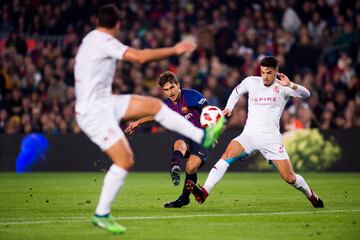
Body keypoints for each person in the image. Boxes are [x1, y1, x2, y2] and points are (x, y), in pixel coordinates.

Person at [74, 4, 224, 234]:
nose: (170, 91)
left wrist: (135, 121)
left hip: (98, 103)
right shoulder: (104, 41)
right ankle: (195, 146)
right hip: (96, 108)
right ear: (117, 25)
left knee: (126, 158)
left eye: (172, 87)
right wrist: (175, 49)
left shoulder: (88, 40)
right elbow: (140, 57)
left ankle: (101, 214)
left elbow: (203, 110)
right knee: (161, 117)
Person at [186, 56, 324, 208]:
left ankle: (312, 196)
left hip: (271, 139)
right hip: (249, 135)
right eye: (263, 72)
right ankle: (204, 192)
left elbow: (307, 94)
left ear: (276, 71)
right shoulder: (251, 81)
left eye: (269, 73)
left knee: (289, 178)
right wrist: (229, 108)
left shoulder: (283, 87)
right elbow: (237, 91)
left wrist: (290, 84)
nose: (265, 76)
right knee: (226, 155)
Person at [125, 71, 210, 208]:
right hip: (188, 136)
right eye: (166, 90)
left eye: (172, 88)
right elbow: (155, 115)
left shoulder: (191, 96)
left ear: (178, 85)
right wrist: (138, 122)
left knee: (190, 167)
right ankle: (175, 167)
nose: (170, 92)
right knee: (179, 143)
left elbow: (209, 110)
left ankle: (184, 198)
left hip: (204, 137)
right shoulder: (167, 104)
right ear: (163, 91)